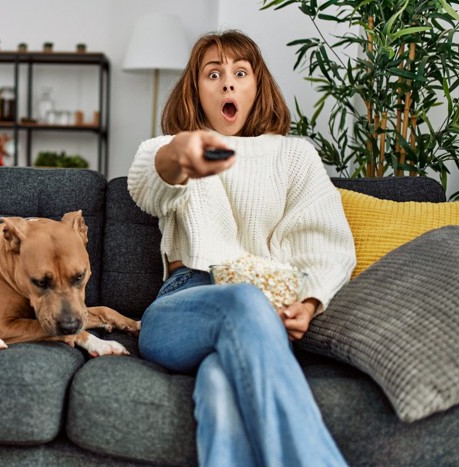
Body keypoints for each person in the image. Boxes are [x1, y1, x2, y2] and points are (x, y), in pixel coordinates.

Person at [127, 29, 356, 467]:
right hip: (182, 304)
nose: (227, 83)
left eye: (239, 72)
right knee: (243, 302)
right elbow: (148, 184)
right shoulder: (175, 146)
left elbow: (326, 241)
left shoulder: (294, 156)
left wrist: (308, 303)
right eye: (213, 74)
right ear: (196, 89)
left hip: (263, 316)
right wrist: (181, 153)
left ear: (257, 85)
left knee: (218, 383)